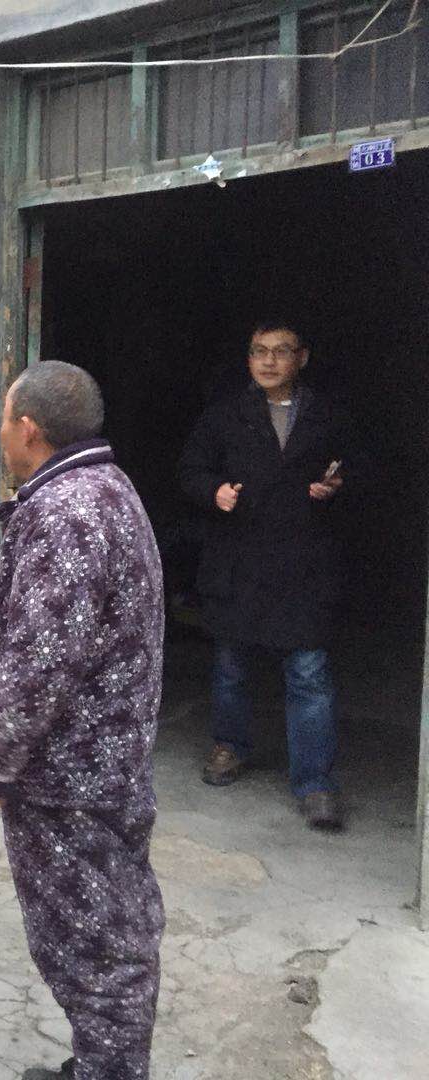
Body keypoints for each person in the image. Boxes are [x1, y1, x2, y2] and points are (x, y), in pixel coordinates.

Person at [0, 362, 165, 1080]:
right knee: (107, 930)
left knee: (92, 945)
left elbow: (42, 666)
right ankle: (102, 1064)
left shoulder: (67, 512)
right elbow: (53, 633)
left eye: (3, 419)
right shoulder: (103, 488)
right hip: (101, 765)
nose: (0, 434)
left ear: (28, 429)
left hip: (73, 778)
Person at [177, 319, 350, 830]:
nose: (269, 361)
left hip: (304, 562)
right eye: (259, 351)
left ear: (303, 357)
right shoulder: (225, 415)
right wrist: (214, 492)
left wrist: (337, 485)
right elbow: (190, 470)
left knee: (309, 671)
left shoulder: (327, 415)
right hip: (240, 560)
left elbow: (363, 468)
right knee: (232, 663)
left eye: (281, 351)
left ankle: (315, 782)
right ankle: (230, 745)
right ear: (248, 358)